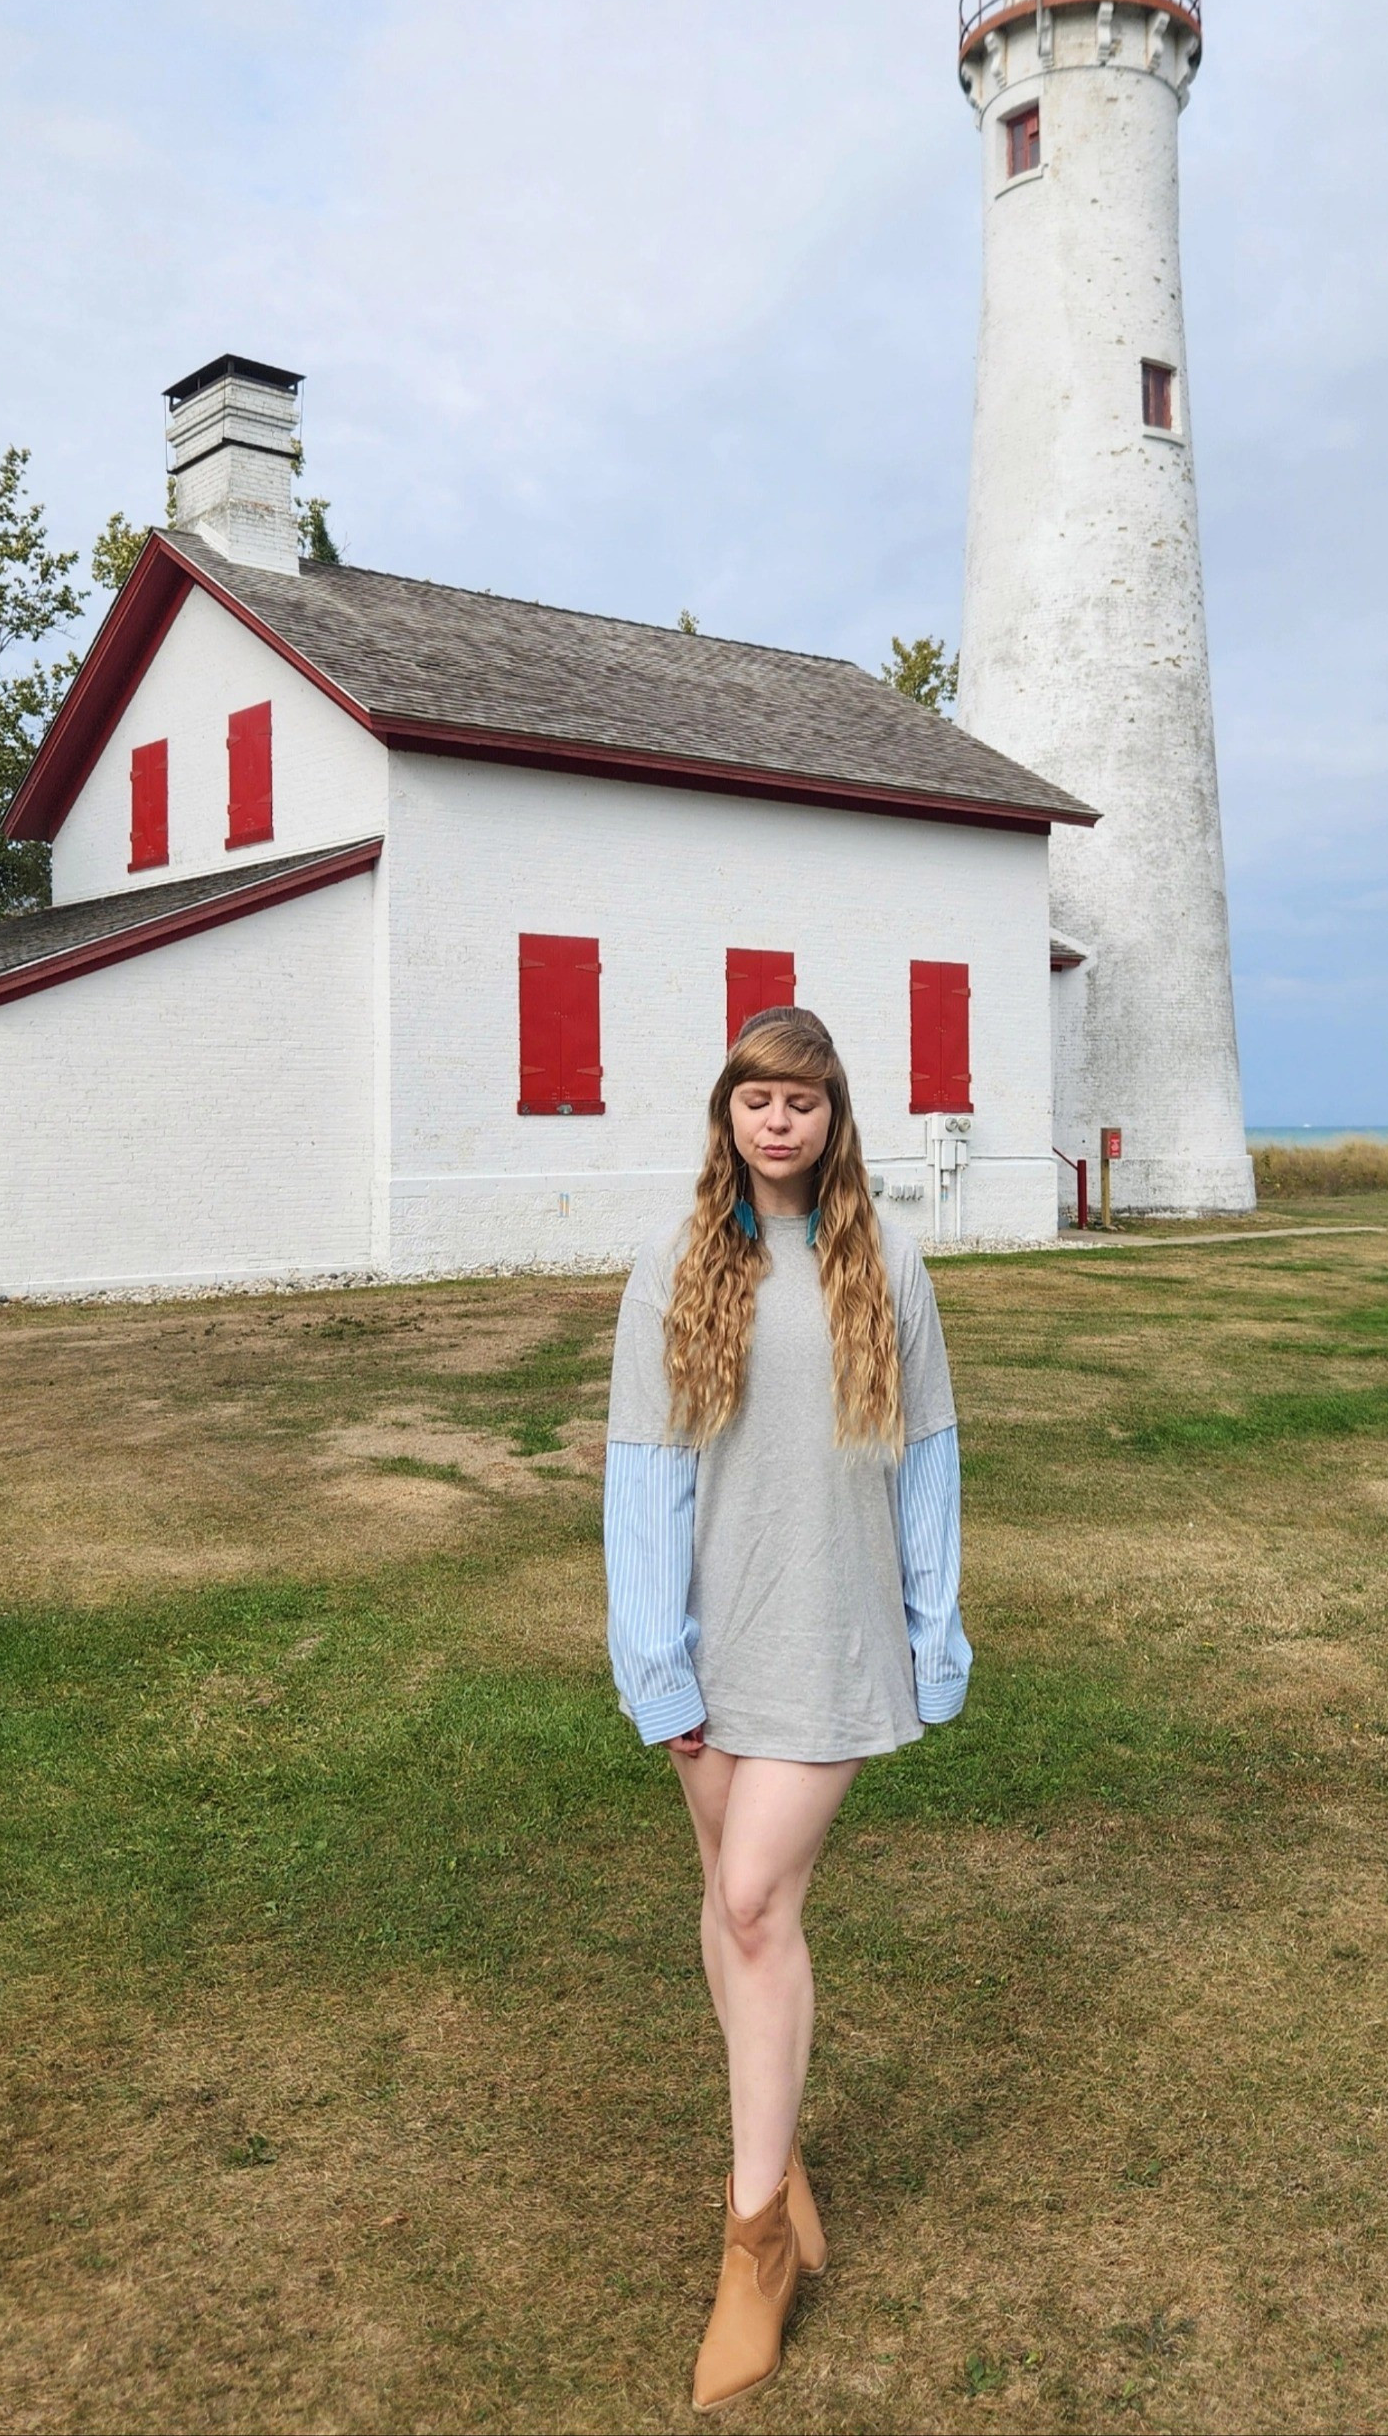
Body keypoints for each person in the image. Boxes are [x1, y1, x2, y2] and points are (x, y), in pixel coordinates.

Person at [603, 1005, 971, 2411]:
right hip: (714, 1639)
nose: (777, 1121)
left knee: (754, 1901)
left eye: (801, 1102)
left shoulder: (887, 1261)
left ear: (832, 1121)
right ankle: (780, 2162)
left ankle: (751, 2244)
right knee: (728, 1904)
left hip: (833, 1636)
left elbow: (927, 1460)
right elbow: (646, 1473)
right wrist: (658, 1660)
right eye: (755, 1098)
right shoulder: (677, 1265)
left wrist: (935, 1634)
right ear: (727, 1113)